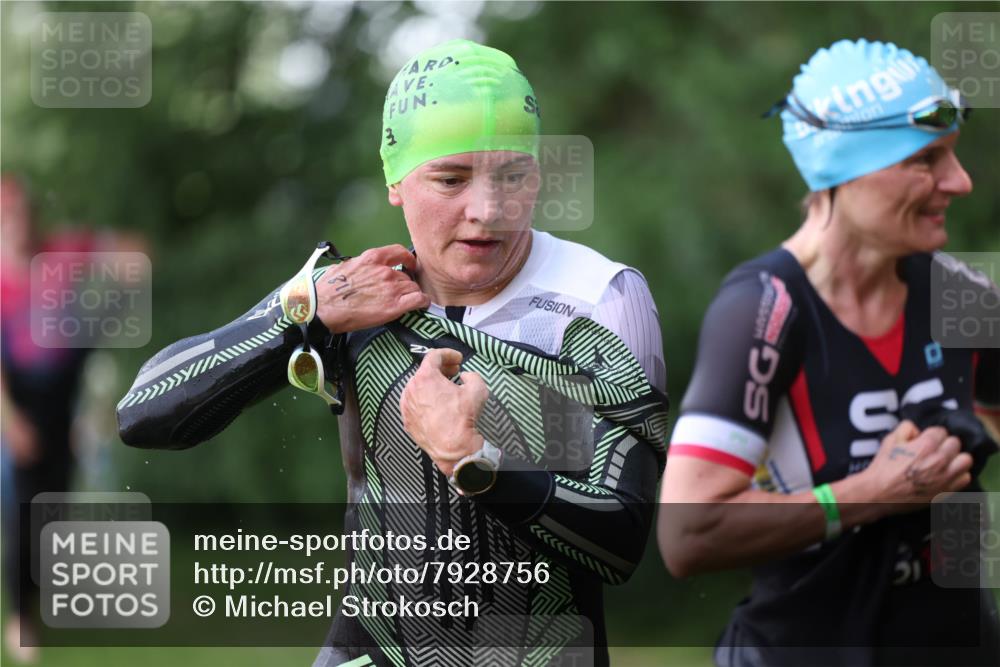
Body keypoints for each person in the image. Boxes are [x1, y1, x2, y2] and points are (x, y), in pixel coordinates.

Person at [118, 39, 667, 667]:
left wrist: (477, 462)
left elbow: (623, 542)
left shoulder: (599, 297)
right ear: (395, 181)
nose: (486, 210)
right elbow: (143, 416)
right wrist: (297, 314)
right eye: (451, 178)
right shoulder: (355, 302)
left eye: (512, 176)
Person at [657, 39, 1000, 667]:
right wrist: (876, 490)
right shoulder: (762, 309)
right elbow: (687, 532)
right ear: (848, 169)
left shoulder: (958, 292)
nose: (959, 181)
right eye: (927, 159)